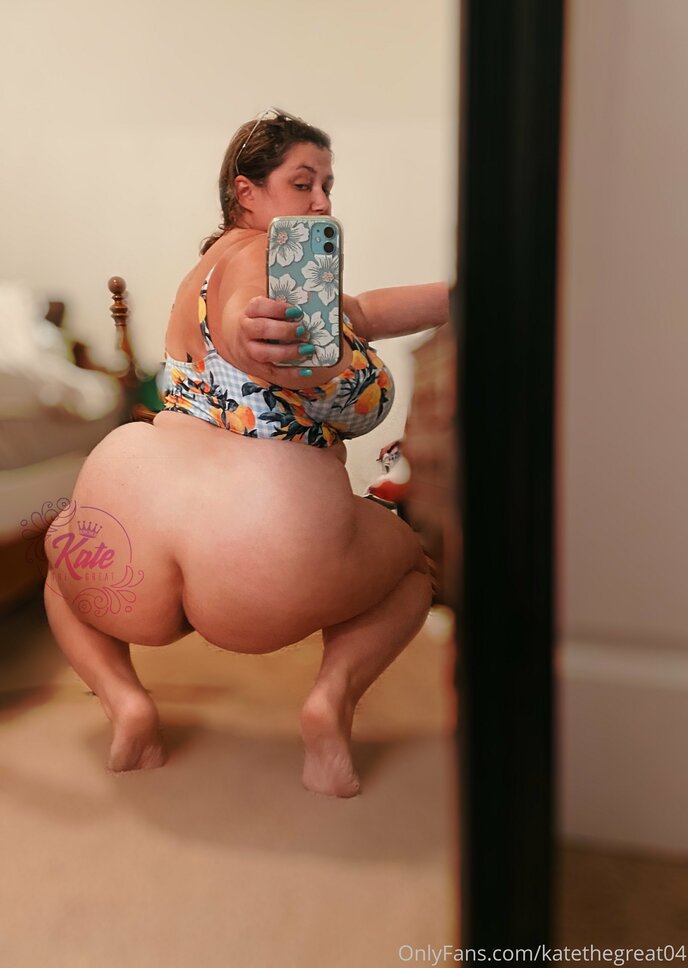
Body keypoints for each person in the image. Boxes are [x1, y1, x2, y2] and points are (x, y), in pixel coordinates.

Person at [43, 108, 449, 798]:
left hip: (132, 519)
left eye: (327, 185)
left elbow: (365, 312)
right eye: (302, 183)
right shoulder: (259, 260)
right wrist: (255, 333)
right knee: (413, 566)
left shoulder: (201, 273)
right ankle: (330, 703)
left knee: (62, 574)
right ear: (247, 192)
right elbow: (246, 312)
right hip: (257, 544)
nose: (321, 202)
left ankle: (126, 703)